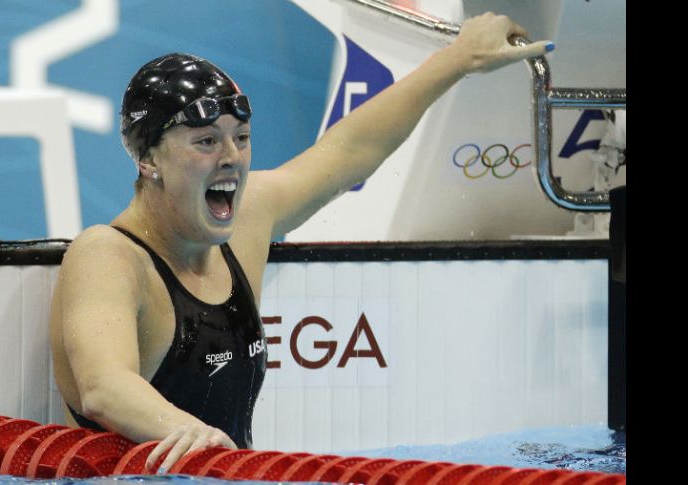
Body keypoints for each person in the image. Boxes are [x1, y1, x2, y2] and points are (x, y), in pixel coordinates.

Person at [49, 12, 551, 474]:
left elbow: (351, 150)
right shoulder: (109, 254)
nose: (231, 158)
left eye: (241, 138)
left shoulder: (245, 222)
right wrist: (187, 431)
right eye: (206, 141)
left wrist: (459, 59)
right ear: (147, 158)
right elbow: (104, 385)